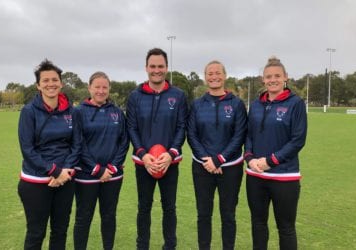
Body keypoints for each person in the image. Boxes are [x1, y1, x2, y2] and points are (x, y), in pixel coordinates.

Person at [126, 48, 188, 250]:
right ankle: (141, 246)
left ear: (166, 68)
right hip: (144, 163)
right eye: (152, 66)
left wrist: (171, 154)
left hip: (170, 162)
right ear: (146, 68)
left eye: (160, 66)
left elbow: (181, 127)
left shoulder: (178, 95)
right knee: (144, 208)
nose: (156, 70)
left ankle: (170, 246)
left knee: (169, 208)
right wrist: (143, 155)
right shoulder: (135, 96)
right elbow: (132, 128)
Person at [244, 56, 307, 250]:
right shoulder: (255, 105)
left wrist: (271, 161)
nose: (272, 80)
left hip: (285, 176)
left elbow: (298, 140)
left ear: (285, 77)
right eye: (268, 76)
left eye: (277, 76)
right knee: (258, 224)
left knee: (286, 228)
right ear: (263, 79)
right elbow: (248, 136)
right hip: (256, 175)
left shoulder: (295, 103)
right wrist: (250, 159)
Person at [18, 59, 81, 249]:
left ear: (61, 83)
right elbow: (28, 150)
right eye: (45, 80)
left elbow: (77, 144)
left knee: (60, 231)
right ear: (38, 85)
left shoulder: (72, 112)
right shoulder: (29, 112)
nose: (50, 84)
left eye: (54, 79)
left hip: (65, 180)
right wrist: (54, 171)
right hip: (36, 182)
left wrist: (65, 172)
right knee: (36, 233)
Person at [187, 60, 247, 250]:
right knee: (203, 214)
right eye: (210, 74)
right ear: (205, 78)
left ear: (225, 76)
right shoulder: (197, 104)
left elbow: (239, 135)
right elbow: (192, 134)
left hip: (230, 168)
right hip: (202, 166)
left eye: (217, 73)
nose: (214, 77)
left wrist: (220, 159)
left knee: (228, 214)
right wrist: (207, 159)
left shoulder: (236, 104)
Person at [73, 71, 129, 250]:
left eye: (104, 87)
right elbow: (78, 144)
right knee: (83, 217)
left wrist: (111, 167)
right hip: (86, 176)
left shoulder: (117, 112)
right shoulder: (78, 112)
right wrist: (97, 169)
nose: (101, 90)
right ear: (89, 88)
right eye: (97, 86)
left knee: (109, 216)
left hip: (112, 176)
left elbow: (124, 141)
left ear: (109, 89)